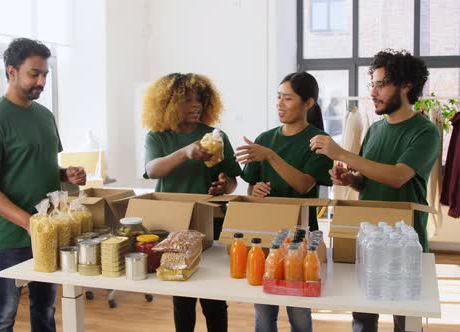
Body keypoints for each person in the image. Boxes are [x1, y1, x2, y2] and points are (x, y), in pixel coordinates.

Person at [309, 49, 439, 332]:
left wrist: (342, 152)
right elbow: (367, 180)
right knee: (363, 317)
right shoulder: (376, 130)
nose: (373, 92)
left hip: (404, 242)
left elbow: (397, 177)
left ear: (406, 86)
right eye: (373, 84)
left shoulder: (425, 132)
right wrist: (349, 179)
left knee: (405, 319)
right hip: (369, 238)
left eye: (382, 84)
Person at [0, 38, 87, 332]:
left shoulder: (45, 116)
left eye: (45, 75)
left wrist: (67, 175)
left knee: (45, 308)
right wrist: (29, 223)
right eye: (34, 74)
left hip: (48, 231)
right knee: (3, 313)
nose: (41, 81)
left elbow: (41, 166)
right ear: (11, 72)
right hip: (11, 237)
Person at [142, 73, 242, 332]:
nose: (195, 105)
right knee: (182, 298)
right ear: (169, 103)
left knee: (214, 298)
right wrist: (185, 152)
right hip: (175, 226)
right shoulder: (158, 137)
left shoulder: (216, 135)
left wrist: (223, 186)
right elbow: (152, 170)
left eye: (199, 99)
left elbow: (232, 181)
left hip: (212, 223)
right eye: (187, 100)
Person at [237, 71, 334, 332]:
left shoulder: (318, 142)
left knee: (299, 314)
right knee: (264, 312)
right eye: (278, 97)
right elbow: (249, 189)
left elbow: (304, 184)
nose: (280, 104)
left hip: (301, 242)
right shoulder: (265, 139)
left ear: (308, 104)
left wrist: (271, 156)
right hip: (266, 237)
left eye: (288, 98)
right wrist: (254, 189)